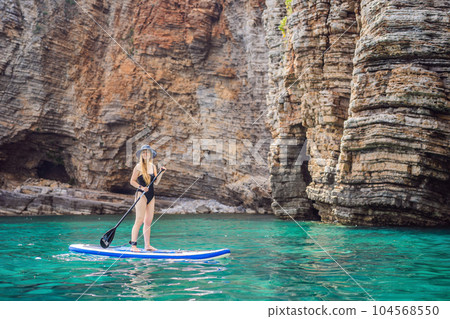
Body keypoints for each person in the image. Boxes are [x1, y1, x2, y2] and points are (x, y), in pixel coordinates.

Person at [129, 145, 166, 252]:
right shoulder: (138, 166)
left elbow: (156, 182)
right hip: (141, 195)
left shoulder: (153, 166)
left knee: (148, 221)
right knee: (139, 220)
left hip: (151, 195)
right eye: (144, 152)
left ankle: (147, 245)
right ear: (141, 154)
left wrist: (161, 173)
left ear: (150, 154)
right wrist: (141, 187)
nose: (146, 154)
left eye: (148, 152)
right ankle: (133, 246)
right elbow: (132, 181)